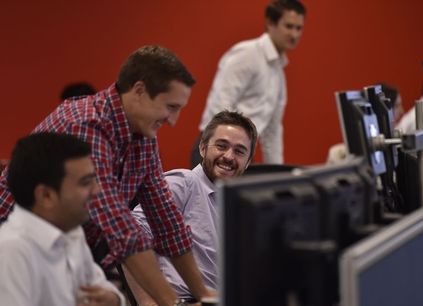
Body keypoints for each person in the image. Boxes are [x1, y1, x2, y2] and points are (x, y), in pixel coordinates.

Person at [0, 45, 211, 306]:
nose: (174, 120)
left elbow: (167, 220)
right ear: (139, 91)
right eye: (170, 107)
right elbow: (120, 228)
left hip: (65, 248)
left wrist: (205, 296)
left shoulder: (143, 135)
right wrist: (172, 303)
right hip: (24, 247)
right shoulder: (87, 125)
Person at [127, 110, 258, 304]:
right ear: (203, 148)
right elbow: (131, 234)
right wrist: (148, 303)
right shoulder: (185, 183)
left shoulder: (239, 207)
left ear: (247, 163)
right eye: (221, 146)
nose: (229, 156)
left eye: (239, 151)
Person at [0, 132, 125, 306]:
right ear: (46, 195)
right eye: (85, 182)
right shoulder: (12, 251)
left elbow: (100, 287)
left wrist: (113, 299)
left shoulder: (70, 230)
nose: (97, 190)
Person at [192, 0, 306, 167]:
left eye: (299, 28)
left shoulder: (278, 72)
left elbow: (272, 130)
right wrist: (222, 151)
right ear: (270, 23)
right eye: (288, 26)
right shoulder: (247, 54)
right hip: (217, 150)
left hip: (240, 154)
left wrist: (278, 174)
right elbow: (220, 105)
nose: (294, 34)